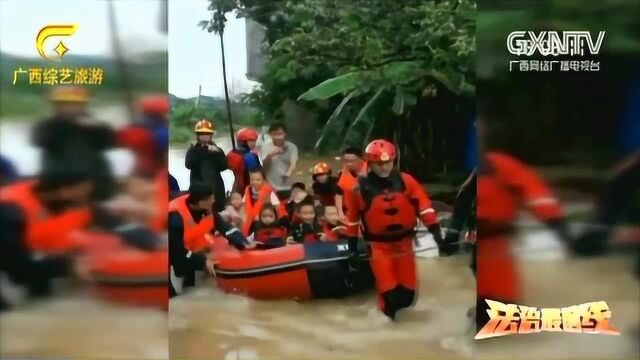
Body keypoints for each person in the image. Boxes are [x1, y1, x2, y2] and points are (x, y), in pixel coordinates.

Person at [0, 168, 159, 310]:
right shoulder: (9, 210)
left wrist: (153, 242)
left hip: (40, 263)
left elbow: (118, 226)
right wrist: (68, 266)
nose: (86, 200)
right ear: (61, 192)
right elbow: (17, 269)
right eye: (81, 194)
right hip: (13, 269)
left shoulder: (75, 201)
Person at [349, 139, 450, 321]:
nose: (384, 167)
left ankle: (401, 326)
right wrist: (352, 246)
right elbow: (352, 220)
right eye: (379, 164)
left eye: (388, 163)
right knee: (390, 296)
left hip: (404, 245)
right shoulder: (358, 188)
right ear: (370, 164)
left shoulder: (407, 181)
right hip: (379, 246)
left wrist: (436, 233)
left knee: (408, 296)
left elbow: (424, 207)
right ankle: (385, 322)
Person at [168, 182, 254, 297]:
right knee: (175, 296)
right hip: (172, 256)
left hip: (191, 250)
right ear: (200, 202)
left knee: (192, 288)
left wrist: (243, 243)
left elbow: (226, 228)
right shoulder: (175, 218)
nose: (214, 200)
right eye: (211, 198)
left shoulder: (206, 210)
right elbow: (176, 253)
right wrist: (203, 261)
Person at [33, 86, 117, 201]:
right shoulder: (47, 126)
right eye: (67, 104)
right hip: (63, 186)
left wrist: (97, 128)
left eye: (77, 103)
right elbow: (41, 141)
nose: (73, 107)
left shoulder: (94, 124)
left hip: (96, 184)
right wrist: (70, 124)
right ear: (57, 106)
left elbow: (109, 144)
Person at [185, 119, 228, 212]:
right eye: (202, 134)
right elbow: (188, 164)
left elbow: (224, 166)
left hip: (216, 188)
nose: (205, 136)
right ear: (198, 135)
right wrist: (204, 151)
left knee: (219, 211)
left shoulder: (217, 150)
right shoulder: (193, 150)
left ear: (211, 135)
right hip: (199, 188)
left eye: (207, 134)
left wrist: (218, 153)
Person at [335, 147, 368, 253]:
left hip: (370, 207)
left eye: (352, 161)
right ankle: (352, 255)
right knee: (352, 233)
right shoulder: (345, 171)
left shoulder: (371, 170)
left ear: (361, 159)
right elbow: (339, 191)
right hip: (352, 209)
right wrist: (340, 212)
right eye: (346, 161)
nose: (349, 164)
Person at [241, 168, 288, 236]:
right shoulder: (248, 190)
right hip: (250, 219)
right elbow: (244, 205)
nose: (254, 182)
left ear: (264, 180)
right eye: (252, 180)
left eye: (258, 180)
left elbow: (277, 207)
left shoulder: (268, 191)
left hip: (265, 219)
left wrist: (265, 216)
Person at [260, 122, 298, 200]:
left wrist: (288, 173)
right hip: (270, 186)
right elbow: (264, 166)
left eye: (280, 134)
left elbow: (293, 164)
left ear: (285, 134)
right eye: (275, 134)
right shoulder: (265, 147)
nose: (278, 137)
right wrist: (270, 155)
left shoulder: (292, 147)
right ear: (270, 134)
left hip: (287, 186)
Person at [227, 127, 262, 192]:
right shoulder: (251, 156)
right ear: (244, 142)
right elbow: (257, 173)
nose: (254, 143)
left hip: (237, 186)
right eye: (251, 141)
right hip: (250, 187)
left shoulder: (232, 153)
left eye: (254, 141)